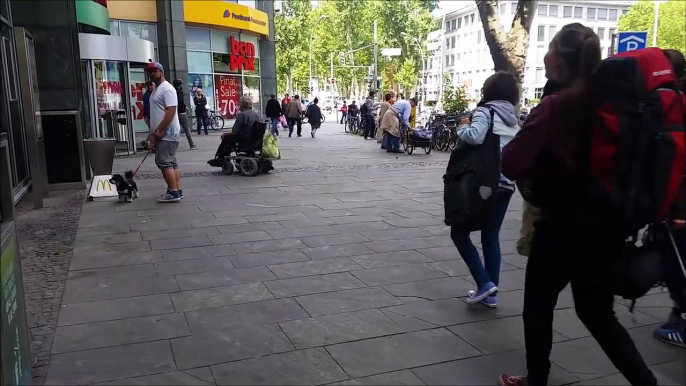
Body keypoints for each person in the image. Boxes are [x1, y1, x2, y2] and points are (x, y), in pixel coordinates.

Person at [498, 23, 658, 386]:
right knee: (598, 315)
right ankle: (646, 382)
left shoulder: (556, 106)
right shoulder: (617, 104)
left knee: (538, 306)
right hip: (606, 230)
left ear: (559, 62)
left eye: (551, 46)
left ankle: (536, 379)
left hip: (560, 228)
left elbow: (512, 162)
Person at [450, 72, 520, 308]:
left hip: (483, 183)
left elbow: (475, 137)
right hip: (506, 184)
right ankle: (491, 294)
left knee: (459, 233)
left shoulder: (486, 111)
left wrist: (462, 127)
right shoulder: (513, 118)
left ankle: (484, 283)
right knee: (491, 236)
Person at [654, 48, 686, 348]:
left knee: (678, 261)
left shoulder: (661, 105)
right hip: (678, 198)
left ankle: (682, 322)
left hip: (675, 201)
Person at [146, 62, 183, 203]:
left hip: (168, 133)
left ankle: (173, 192)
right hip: (164, 133)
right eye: (150, 72)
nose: (151, 74)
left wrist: (160, 130)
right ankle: (176, 190)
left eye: (154, 71)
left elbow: (171, 110)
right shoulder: (157, 89)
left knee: (164, 162)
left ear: (161, 72)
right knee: (171, 162)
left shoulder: (166, 89)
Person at [207, 95, 261, 166]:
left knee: (226, 139)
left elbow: (235, 131)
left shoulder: (242, 115)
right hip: (257, 142)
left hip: (245, 141)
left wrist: (225, 135)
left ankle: (220, 158)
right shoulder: (257, 115)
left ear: (242, 105)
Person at [172, 79, 197, 150]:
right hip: (181, 112)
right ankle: (192, 144)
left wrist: (185, 106)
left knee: (175, 129)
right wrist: (184, 107)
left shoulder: (173, 91)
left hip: (175, 112)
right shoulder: (179, 92)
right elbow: (180, 102)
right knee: (187, 129)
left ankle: (173, 146)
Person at [140, 81, 155, 150]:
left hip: (149, 116)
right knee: (153, 131)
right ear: (150, 86)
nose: (154, 86)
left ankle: (146, 142)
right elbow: (148, 107)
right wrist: (150, 117)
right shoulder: (148, 95)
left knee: (152, 130)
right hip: (149, 116)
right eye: (153, 85)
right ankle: (152, 145)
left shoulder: (149, 94)